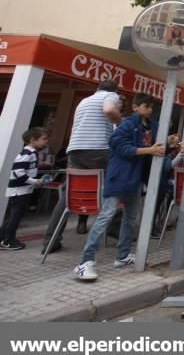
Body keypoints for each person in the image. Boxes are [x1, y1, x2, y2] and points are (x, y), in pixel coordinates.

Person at [73, 93, 164, 281]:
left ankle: (122, 256)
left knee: (130, 218)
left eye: (151, 107)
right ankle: (85, 261)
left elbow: (154, 149)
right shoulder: (127, 124)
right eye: (146, 106)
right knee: (106, 216)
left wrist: (167, 146)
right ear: (136, 106)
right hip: (120, 176)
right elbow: (119, 146)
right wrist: (149, 150)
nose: (149, 109)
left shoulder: (152, 126)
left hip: (135, 178)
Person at [43, 80, 122, 254]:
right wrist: (120, 122)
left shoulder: (84, 101)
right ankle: (116, 230)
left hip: (75, 150)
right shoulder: (111, 96)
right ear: (115, 90)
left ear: (97, 88)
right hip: (98, 149)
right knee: (116, 185)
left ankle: (51, 240)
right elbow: (109, 110)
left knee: (68, 194)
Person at [0, 128, 48, 250]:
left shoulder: (30, 153)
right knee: (15, 216)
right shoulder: (27, 154)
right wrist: (34, 181)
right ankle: (8, 241)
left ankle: (3, 238)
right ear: (32, 140)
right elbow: (18, 172)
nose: (46, 142)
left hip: (20, 190)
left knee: (13, 216)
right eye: (44, 139)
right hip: (19, 190)